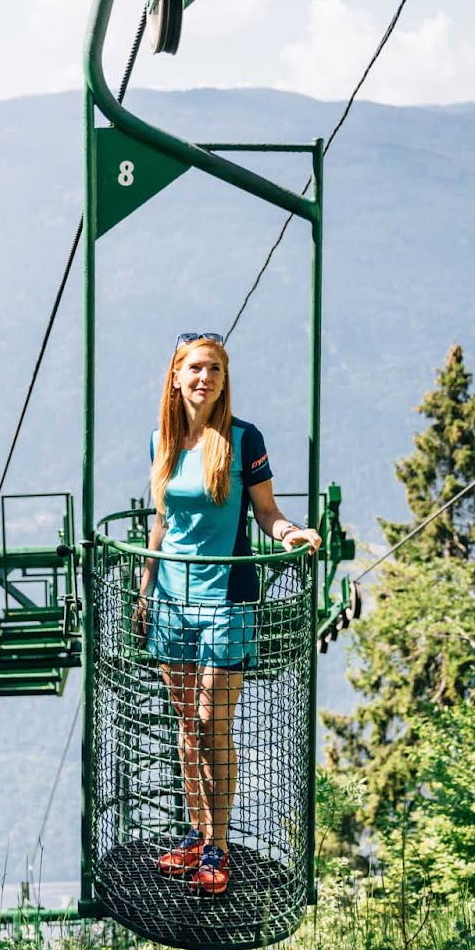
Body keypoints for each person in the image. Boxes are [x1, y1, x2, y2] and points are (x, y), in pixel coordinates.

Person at [134, 332, 321, 896]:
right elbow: (161, 524)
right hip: (172, 599)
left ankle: (218, 844)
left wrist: (289, 534)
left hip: (225, 599)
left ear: (224, 379)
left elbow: (266, 511)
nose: (205, 378)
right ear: (175, 377)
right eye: (195, 368)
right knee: (186, 726)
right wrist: (145, 589)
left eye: (214, 369)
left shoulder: (243, 439)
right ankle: (197, 834)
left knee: (214, 723)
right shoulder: (162, 440)